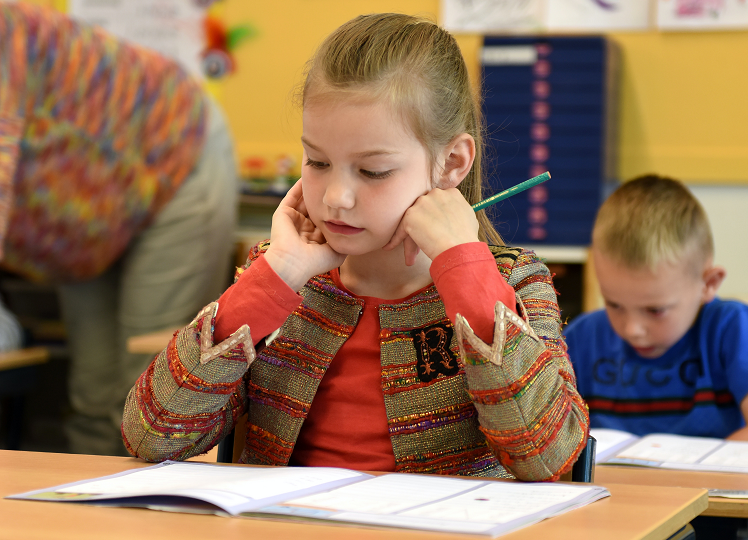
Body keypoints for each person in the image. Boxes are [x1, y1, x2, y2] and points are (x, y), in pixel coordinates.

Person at [122, 12, 590, 480]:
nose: (335, 197)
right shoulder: (285, 281)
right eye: (317, 161)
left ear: (451, 163)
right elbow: (152, 434)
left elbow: (545, 455)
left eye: (372, 171)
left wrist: (464, 267)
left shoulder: (513, 282)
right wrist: (278, 272)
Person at [0, 3, 238, 455]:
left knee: (149, 395)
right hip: (79, 220)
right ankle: (78, 524)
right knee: (92, 397)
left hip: (172, 156)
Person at [564, 175, 748, 441]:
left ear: (708, 283)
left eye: (655, 310)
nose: (632, 329)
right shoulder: (581, 338)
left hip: (713, 481)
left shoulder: (732, 328)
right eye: (613, 304)